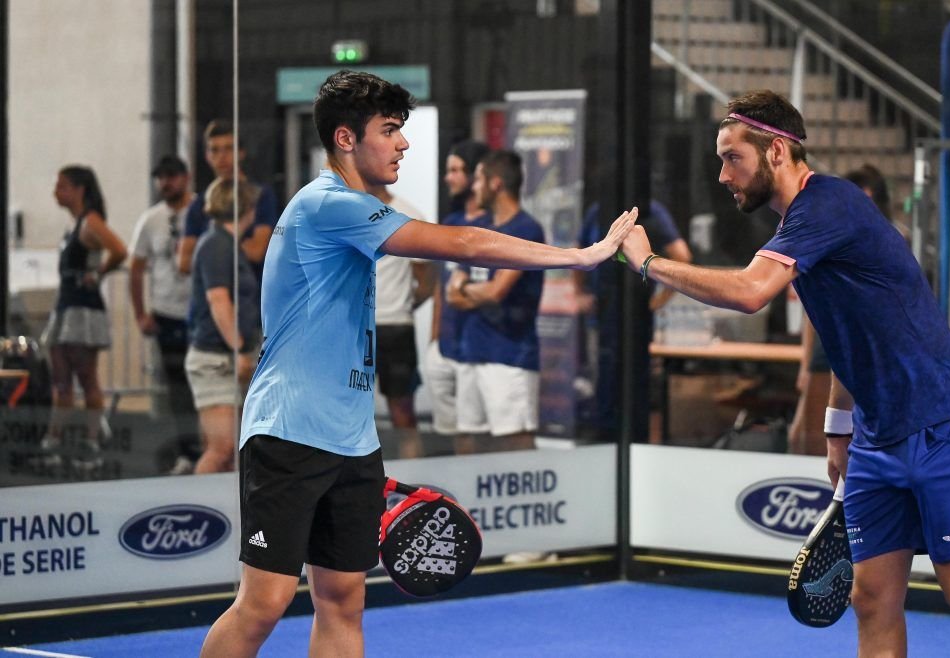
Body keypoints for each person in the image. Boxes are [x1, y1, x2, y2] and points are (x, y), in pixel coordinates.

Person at [198, 70, 635, 658]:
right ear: (347, 139)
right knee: (265, 602)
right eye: (389, 130)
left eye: (402, 130)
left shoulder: (359, 209)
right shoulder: (327, 205)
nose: (402, 143)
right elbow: (464, 244)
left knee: (342, 601)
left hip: (352, 438)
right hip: (288, 431)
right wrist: (579, 257)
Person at [618, 90, 950, 657]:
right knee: (872, 598)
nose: (721, 175)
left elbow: (750, 293)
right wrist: (838, 429)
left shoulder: (828, 205)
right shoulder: (801, 228)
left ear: (778, 152)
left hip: (942, 421)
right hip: (878, 437)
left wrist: (648, 262)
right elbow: (845, 334)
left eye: (731, 157)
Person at [788, 164, 896, 457]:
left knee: (859, 444)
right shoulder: (826, 242)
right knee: (803, 438)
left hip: (873, 362)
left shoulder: (892, 246)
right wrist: (805, 365)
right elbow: (813, 311)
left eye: (867, 201)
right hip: (829, 357)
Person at [444, 150, 545, 454]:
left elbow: (495, 292)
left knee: (514, 444)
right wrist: (479, 289)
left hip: (509, 356)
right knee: (467, 442)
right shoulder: (480, 229)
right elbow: (452, 292)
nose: (473, 187)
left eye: (479, 180)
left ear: (496, 184)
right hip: (471, 352)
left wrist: (470, 288)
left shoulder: (526, 230)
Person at [575, 200, 691, 441]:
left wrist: (659, 300)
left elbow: (682, 255)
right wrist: (579, 292)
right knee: (605, 382)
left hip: (635, 319)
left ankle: (630, 440)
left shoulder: (653, 212)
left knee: (632, 384)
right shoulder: (597, 210)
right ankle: (605, 438)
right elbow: (579, 252)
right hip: (604, 317)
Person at [39, 165, 127, 471]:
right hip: (66, 307)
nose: (56, 192)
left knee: (86, 378)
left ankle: (91, 443)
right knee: (61, 381)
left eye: (62, 186)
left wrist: (98, 273)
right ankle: (53, 440)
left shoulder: (90, 222)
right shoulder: (75, 224)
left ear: (79, 190)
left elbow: (119, 250)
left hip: (83, 310)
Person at [128, 155, 201, 473]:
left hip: (201, 312)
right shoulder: (151, 220)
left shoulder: (202, 210)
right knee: (178, 389)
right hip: (167, 314)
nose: (165, 183)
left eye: (171, 176)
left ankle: (214, 448)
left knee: (208, 384)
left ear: (186, 177)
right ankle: (188, 451)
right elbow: (136, 268)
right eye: (160, 177)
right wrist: (141, 313)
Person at [185, 178, 261, 474]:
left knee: (229, 454)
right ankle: (193, 513)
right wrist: (239, 349)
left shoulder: (227, 245)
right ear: (247, 208)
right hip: (216, 359)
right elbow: (219, 302)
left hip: (225, 356)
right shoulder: (216, 245)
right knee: (222, 449)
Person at [420, 140, 491, 448]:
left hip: (477, 348)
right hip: (445, 345)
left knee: (473, 434)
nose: (448, 178)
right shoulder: (450, 223)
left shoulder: (494, 226)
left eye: (456, 170)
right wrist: (434, 338)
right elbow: (439, 283)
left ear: (477, 174)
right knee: (447, 434)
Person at [370, 184, 432, 459]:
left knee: (403, 414)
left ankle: (414, 490)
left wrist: (404, 304)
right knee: (343, 415)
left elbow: (427, 277)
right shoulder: (342, 213)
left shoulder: (407, 214)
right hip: (351, 328)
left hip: (394, 327)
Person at [176, 120, 280, 278]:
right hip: (211, 296)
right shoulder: (199, 204)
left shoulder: (260, 196)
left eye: (229, 149)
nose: (222, 157)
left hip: (249, 293)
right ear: (207, 156)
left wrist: (209, 248)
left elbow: (257, 251)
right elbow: (184, 262)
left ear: (241, 152)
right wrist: (238, 245)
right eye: (215, 150)